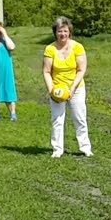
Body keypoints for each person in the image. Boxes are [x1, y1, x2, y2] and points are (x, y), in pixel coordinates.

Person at [42, 17, 92, 158]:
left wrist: (72, 88)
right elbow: (46, 71)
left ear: (69, 32)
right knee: (57, 119)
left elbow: (81, 70)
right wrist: (51, 90)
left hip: (76, 88)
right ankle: (57, 149)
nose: (62, 34)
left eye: (65, 31)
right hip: (57, 89)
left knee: (79, 117)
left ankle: (85, 148)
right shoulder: (50, 49)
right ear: (55, 33)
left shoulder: (78, 47)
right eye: (59, 31)